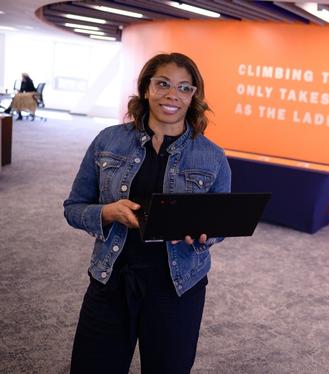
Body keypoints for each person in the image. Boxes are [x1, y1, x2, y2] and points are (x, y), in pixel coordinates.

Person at [63, 52, 231, 374]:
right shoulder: (108, 141)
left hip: (178, 286)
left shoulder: (212, 156)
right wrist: (107, 213)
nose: (172, 95)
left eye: (184, 88)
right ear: (146, 88)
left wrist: (207, 233)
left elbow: (220, 223)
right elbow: (73, 208)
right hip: (112, 279)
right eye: (163, 84)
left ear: (194, 96)